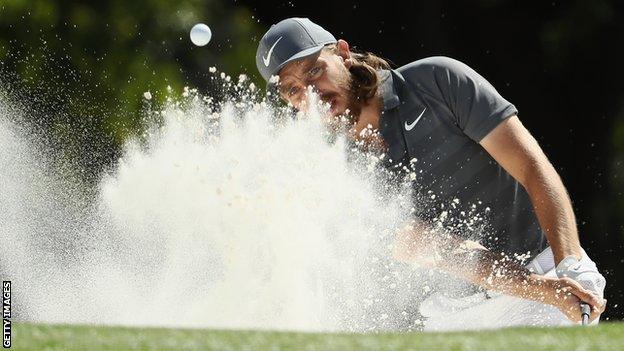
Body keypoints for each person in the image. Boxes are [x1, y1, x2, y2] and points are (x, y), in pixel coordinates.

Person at [254, 17, 607, 330]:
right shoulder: (333, 171)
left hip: (548, 267)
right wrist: (538, 289)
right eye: (293, 90)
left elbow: (532, 168)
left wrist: (570, 262)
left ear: (343, 54)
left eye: (314, 70)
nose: (312, 94)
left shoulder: (436, 81)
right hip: (457, 312)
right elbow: (438, 249)